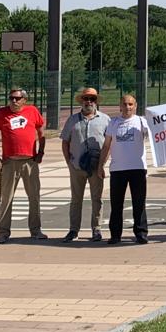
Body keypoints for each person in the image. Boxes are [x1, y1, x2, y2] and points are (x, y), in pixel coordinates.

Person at [0, 88, 46, 244]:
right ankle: (2, 232)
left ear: (24, 100)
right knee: (6, 198)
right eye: (11, 98)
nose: (14, 101)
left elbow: (41, 134)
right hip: (9, 162)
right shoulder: (2, 113)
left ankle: (36, 230)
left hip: (30, 161)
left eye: (17, 98)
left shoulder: (33, 111)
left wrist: (40, 152)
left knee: (34, 197)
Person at [99, 94, 151, 245]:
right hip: (118, 169)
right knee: (116, 204)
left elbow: (157, 136)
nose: (127, 107)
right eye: (125, 104)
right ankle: (115, 235)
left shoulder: (142, 122)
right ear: (120, 106)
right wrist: (101, 165)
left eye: (130, 104)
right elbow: (106, 146)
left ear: (135, 106)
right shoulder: (113, 123)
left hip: (138, 168)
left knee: (139, 202)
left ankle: (141, 233)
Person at [60, 87, 110, 242]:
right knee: (76, 199)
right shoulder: (72, 120)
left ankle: (96, 229)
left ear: (96, 102)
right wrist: (69, 162)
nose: (89, 102)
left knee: (97, 199)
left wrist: (103, 163)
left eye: (92, 99)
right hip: (76, 166)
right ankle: (73, 230)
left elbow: (109, 143)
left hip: (96, 167)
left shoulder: (105, 119)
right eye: (86, 99)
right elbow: (65, 142)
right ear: (81, 101)